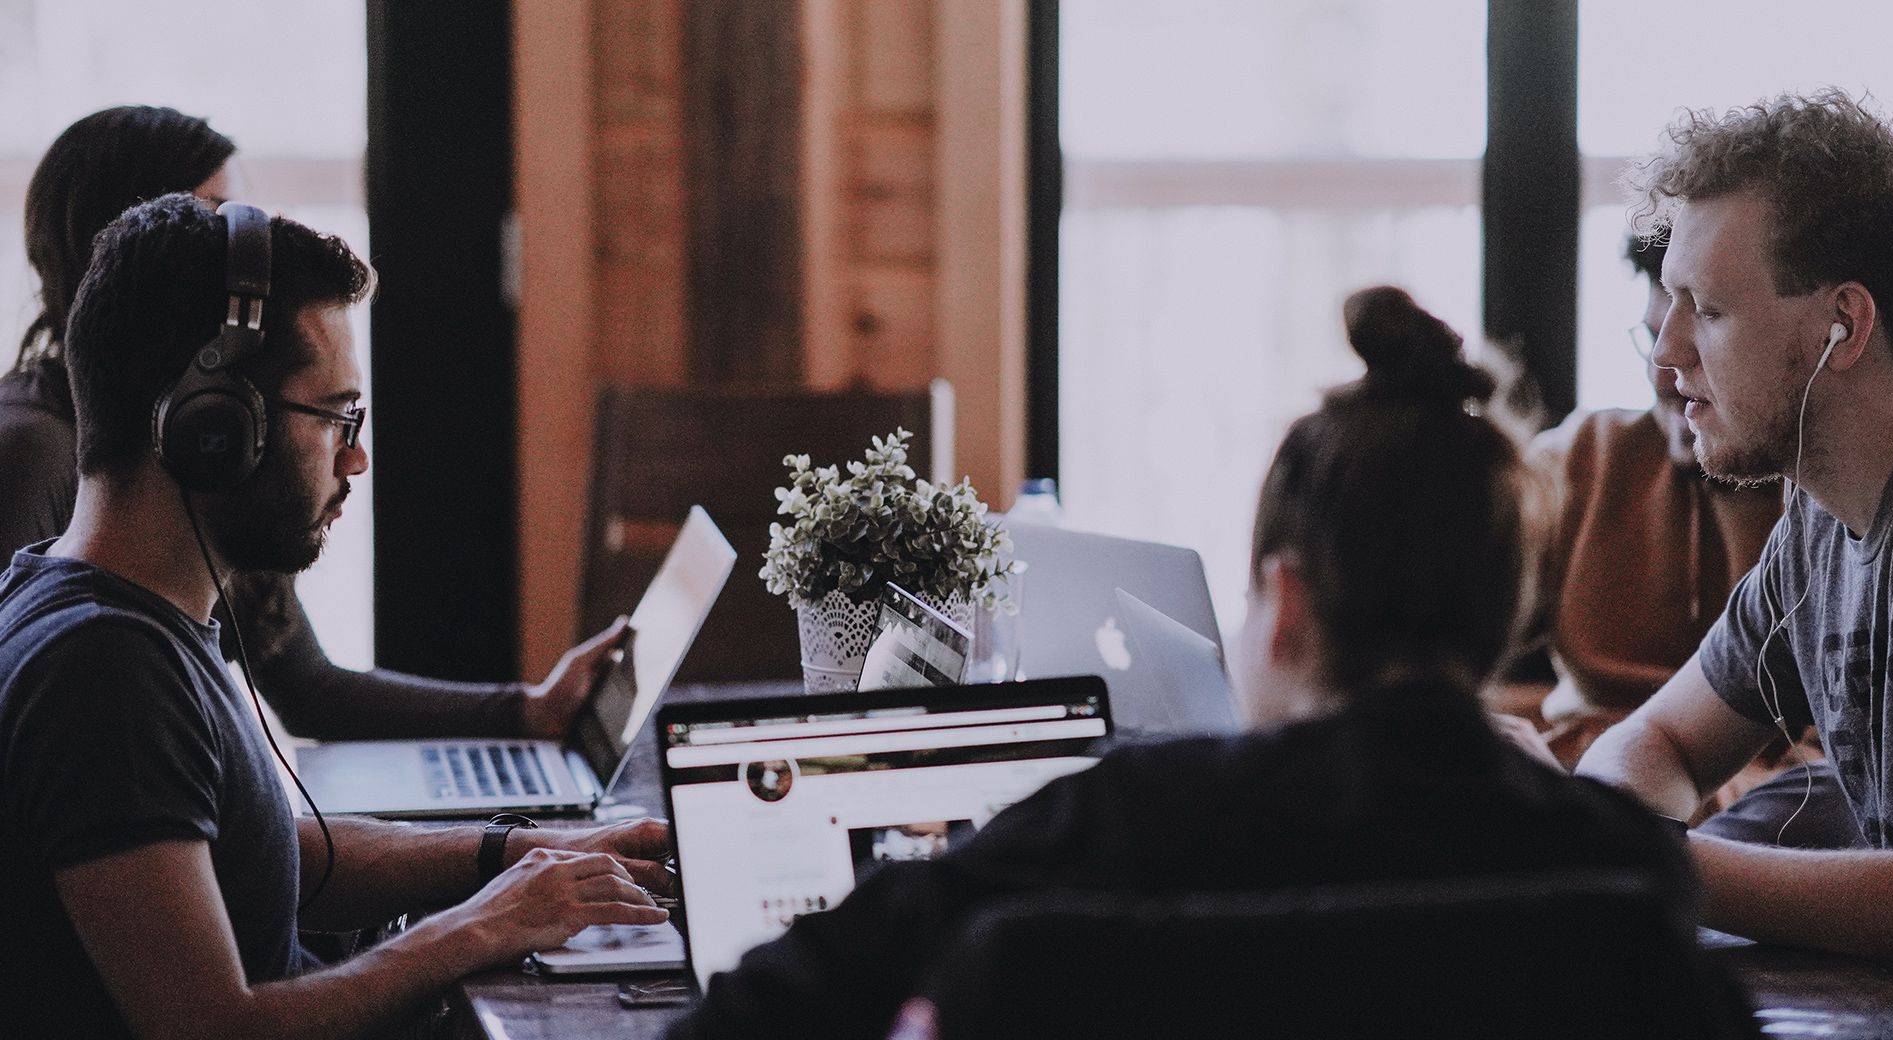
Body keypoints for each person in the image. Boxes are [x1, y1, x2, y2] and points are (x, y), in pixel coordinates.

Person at [670, 287, 1698, 1038]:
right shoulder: (1623, 865)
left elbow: (759, 1013)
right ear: (1504, 607)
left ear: (1285, 604)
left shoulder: (1117, 822)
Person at [0, 194, 675, 1038]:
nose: (355, 457)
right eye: (336, 416)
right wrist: (483, 926)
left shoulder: (105, 611)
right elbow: (216, 1030)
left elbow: (278, 854)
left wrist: (518, 852)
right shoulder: (103, 672)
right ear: (213, 427)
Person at [0, 104, 617, 741]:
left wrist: (529, 710)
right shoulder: (36, 449)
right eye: (215, 218)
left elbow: (310, 689)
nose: (250, 255)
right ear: (128, 240)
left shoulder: (228, 441)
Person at [1575, 89, 1893, 969]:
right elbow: (1658, 739)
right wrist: (1612, 830)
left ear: (1844, 325)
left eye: (1710, 311)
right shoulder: (1816, 518)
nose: (1666, 354)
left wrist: (1650, 861)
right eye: (1670, 304)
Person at [1520, 235, 1861, 849]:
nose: (1667, 371)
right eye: (1653, 335)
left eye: (1707, 327)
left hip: (1766, 816)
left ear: (1839, 331)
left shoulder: (1830, 511)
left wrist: (1632, 853)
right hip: (1620, 789)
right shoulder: (1583, 461)